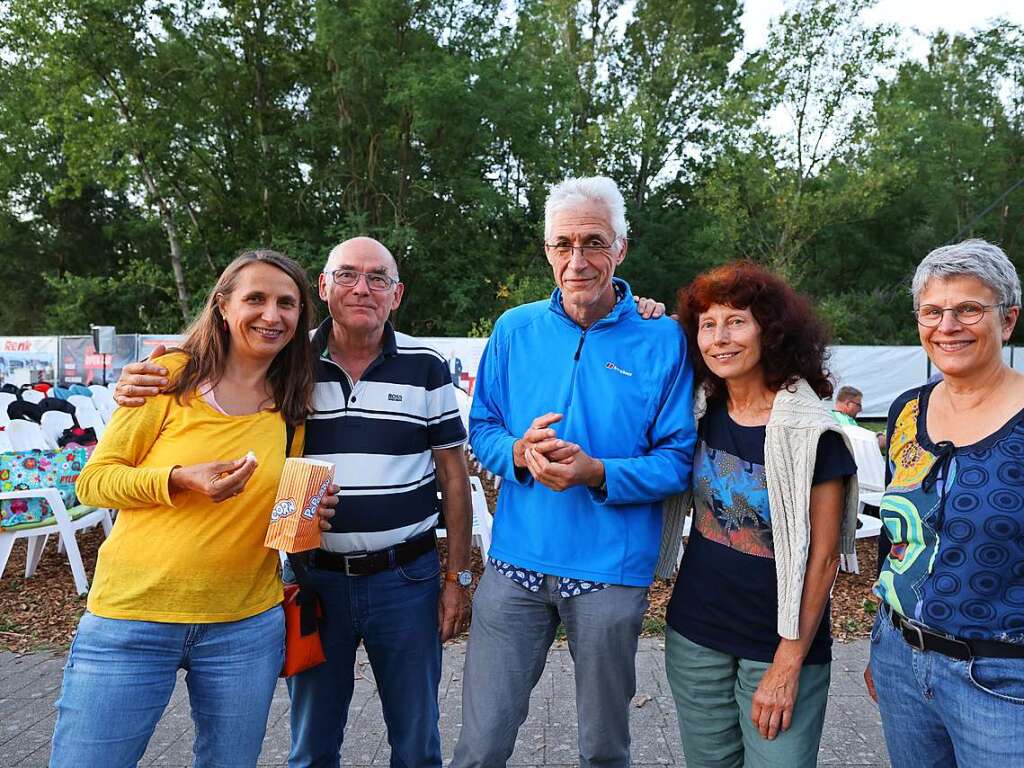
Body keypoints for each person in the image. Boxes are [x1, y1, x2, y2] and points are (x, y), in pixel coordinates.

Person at [115, 236, 474, 768]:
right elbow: (219, 365)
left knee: (418, 739)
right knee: (311, 741)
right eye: (347, 274)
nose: (363, 287)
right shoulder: (287, 358)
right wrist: (154, 371)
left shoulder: (426, 366)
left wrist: (456, 578)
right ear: (324, 288)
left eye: (379, 278)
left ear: (396, 295)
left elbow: (453, 474)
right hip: (313, 578)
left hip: (405, 578)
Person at [50, 250, 337, 767]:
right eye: (256, 299)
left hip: (245, 627)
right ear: (222, 306)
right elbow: (92, 483)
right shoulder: (168, 376)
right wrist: (179, 480)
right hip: (131, 618)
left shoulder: (292, 404)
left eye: (287, 304)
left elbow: (279, 517)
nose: (272, 315)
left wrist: (307, 513)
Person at [450, 176, 697, 768]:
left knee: (603, 748)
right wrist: (516, 452)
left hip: (611, 573)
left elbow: (678, 461)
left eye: (594, 242)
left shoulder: (665, 339)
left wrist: (597, 473)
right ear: (547, 251)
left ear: (621, 248)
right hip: (515, 564)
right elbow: (481, 428)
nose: (577, 260)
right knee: (479, 745)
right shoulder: (515, 328)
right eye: (563, 244)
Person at [657, 262, 859, 768]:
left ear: (770, 331)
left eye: (736, 321)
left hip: (780, 645)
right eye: (707, 324)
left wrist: (788, 662)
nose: (719, 338)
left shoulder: (814, 434)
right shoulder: (698, 412)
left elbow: (824, 557)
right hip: (695, 636)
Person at [863, 239, 1024, 766]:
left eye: (969, 309)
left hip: (1003, 681)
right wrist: (883, 639)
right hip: (900, 661)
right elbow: (898, 539)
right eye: (932, 311)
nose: (947, 325)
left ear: (1008, 320)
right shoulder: (908, 410)